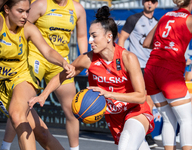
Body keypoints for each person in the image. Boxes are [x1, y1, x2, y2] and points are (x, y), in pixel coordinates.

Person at [28, 6, 155, 150]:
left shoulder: (128, 58)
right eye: (89, 35)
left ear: (109, 37)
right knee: (137, 146)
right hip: (114, 117)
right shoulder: (87, 59)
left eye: (94, 36)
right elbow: (61, 76)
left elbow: (140, 97)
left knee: (125, 146)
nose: (89, 40)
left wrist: (108, 94)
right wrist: (44, 95)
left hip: (136, 111)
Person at [1, 0, 87, 150]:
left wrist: (63, 63)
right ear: (6, 9)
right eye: (20, 11)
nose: (25, 16)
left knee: (17, 115)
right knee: (42, 133)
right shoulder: (1, 22)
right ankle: (5, 145)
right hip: (12, 77)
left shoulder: (28, 28)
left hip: (20, 77)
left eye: (27, 11)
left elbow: (47, 51)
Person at [143, 0, 192, 149]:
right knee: (186, 119)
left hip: (151, 69)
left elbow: (147, 43)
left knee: (169, 119)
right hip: (169, 71)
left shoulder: (164, 16)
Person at [118, 0, 158, 148]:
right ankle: (145, 135)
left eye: (153, 1)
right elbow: (122, 38)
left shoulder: (157, 22)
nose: (150, 3)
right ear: (143, 2)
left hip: (151, 66)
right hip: (137, 66)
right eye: (147, 0)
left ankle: (143, 131)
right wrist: (120, 61)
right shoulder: (134, 19)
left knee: (150, 101)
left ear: (156, 4)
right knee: (140, 99)